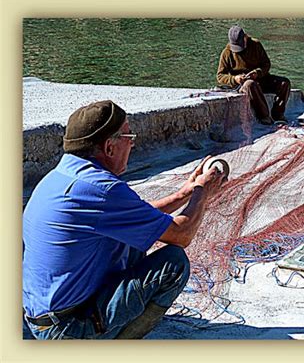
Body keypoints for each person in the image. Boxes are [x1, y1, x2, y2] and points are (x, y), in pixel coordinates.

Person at [22, 100, 227, 339]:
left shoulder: (64, 176)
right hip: (68, 329)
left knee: (133, 238)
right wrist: (203, 191)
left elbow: (137, 217)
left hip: (45, 319)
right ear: (109, 147)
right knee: (173, 263)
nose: (132, 142)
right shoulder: (101, 189)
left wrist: (185, 193)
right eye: (129, 136)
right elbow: (182, 235)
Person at [216, 25, 291, 125]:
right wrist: (235, 78)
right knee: (250, 84)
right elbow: (220, 76)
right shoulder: (227, 53)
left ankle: (278, 114)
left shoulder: (256, 45)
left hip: (261, 79)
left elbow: (266, 64)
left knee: (284, 83)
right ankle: (264, 116)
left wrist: (257, 72)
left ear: (245, 38)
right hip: (243, 84)